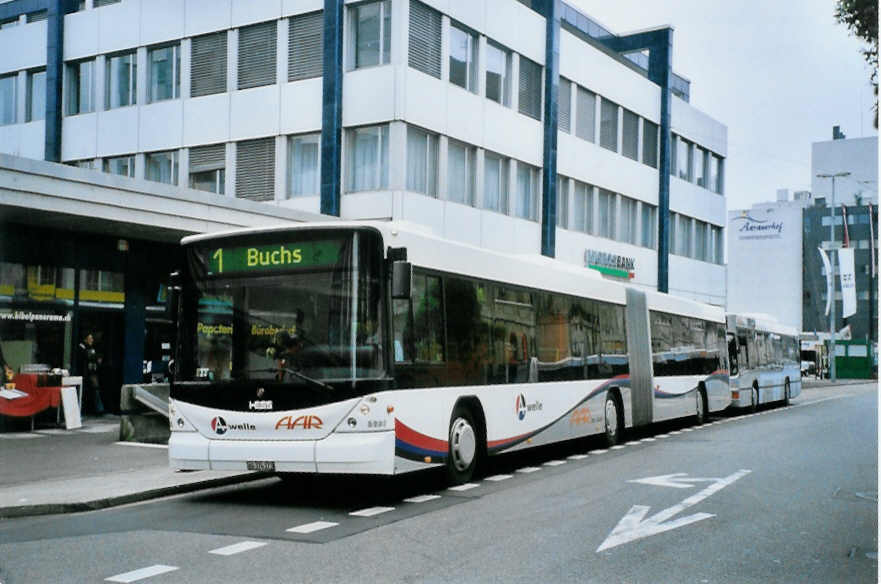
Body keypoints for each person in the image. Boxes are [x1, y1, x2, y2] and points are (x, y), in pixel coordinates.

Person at [76, 332, 105, 415]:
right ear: (85, 339)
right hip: (84, 373)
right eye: (90, 338)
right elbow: (88, 356)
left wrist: (96, 358)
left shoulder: (92, 348)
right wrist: (96, 357)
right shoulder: (81, 346)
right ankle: (79, 410)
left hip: (92, 373)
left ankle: (99, 410)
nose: (92, 340)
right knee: (82, 392)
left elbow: (96, 357)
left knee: (95, 390)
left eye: (92, 338)